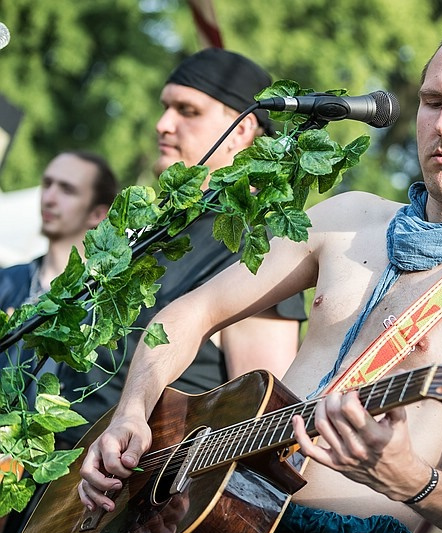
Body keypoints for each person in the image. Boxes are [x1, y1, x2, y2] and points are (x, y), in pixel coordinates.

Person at [78, 18, 442, 533]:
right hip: (208, 529)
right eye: (433, 100)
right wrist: (131, 411)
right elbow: (185, 314)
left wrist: (411, 478)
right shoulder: (348, 218)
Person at [55, 48, 308, 446]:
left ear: (241, 130)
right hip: (49, 493)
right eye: (165, 107)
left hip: (131, 496)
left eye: (187, 110)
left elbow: (265, 421)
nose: (162, 124)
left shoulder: (255, 242)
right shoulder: (153, 228)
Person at [0, 149, 119, 533]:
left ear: (97, 214)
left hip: (52, 497)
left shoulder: (109, 305)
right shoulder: (6, 281)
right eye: (47, 183)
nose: (49, 197)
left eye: (66, 189)